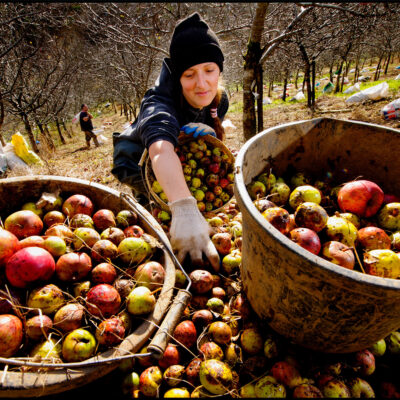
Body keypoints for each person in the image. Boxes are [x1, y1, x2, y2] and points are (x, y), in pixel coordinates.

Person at [112, 12, 229, 272]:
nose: (202, 83)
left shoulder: (220, 99)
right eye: (189, 74)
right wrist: (184, 208)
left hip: (180, 158)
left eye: (209, 70)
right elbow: (160, 149)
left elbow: (210, 143)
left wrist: (208, 131)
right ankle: (150, 209)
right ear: (177, 77)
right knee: (157, 209)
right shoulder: (159, 104)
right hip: (134, 162)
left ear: (219, 69)